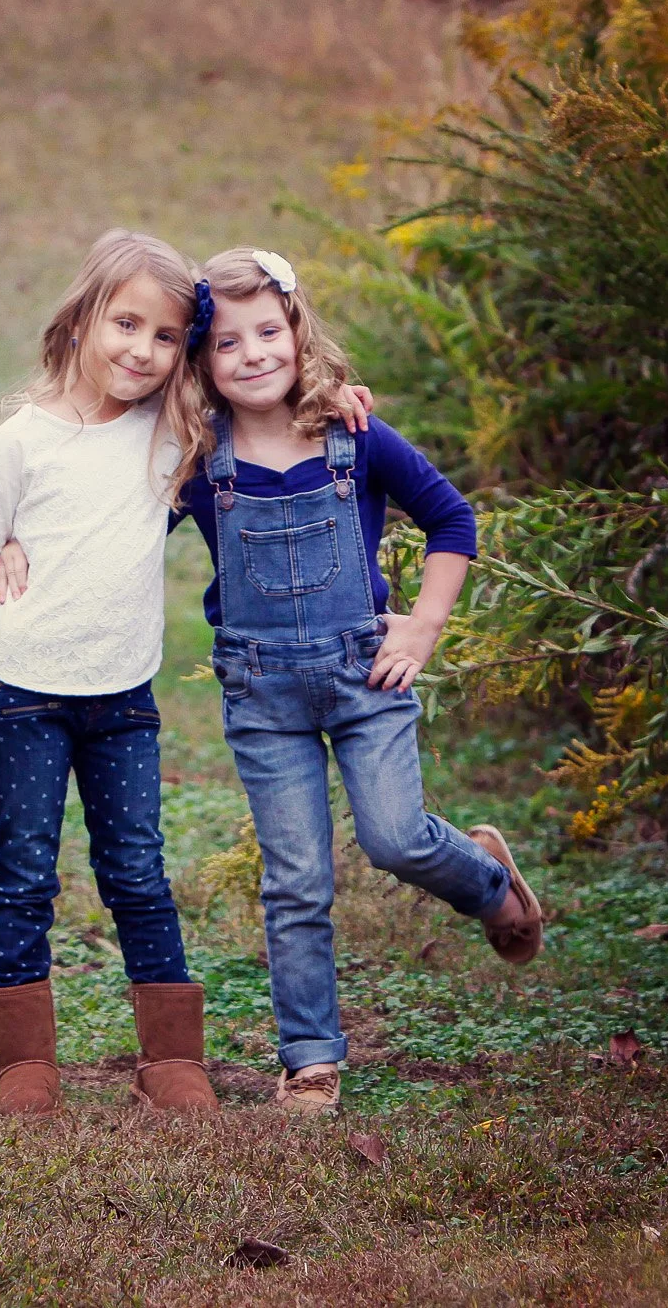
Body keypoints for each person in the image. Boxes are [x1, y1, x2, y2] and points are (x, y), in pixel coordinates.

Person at [167, 246, 544, 1116]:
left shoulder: (355, 436)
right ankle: (310, 1058)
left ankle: (486, 878)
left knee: (396, 839)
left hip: (365, 673)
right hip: (261, 692)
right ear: (201, 363)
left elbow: (452, 516)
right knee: (295, 877)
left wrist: (423, 622)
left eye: (270, 331)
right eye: (228, 343)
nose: (254, 353)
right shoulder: (196, 459)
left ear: (299, 334)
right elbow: (117, 521)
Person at [0, 229, 221, 1117]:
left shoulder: (172, 438)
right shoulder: (19, 446)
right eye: (125, 322)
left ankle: (171, 1055)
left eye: (167, 335)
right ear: (83, 316)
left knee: (137, 867)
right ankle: (26, 1065)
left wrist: (338, 393)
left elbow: (265, 410)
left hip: (122, 700)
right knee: (22, 868)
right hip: (21, 694)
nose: (141, 349)